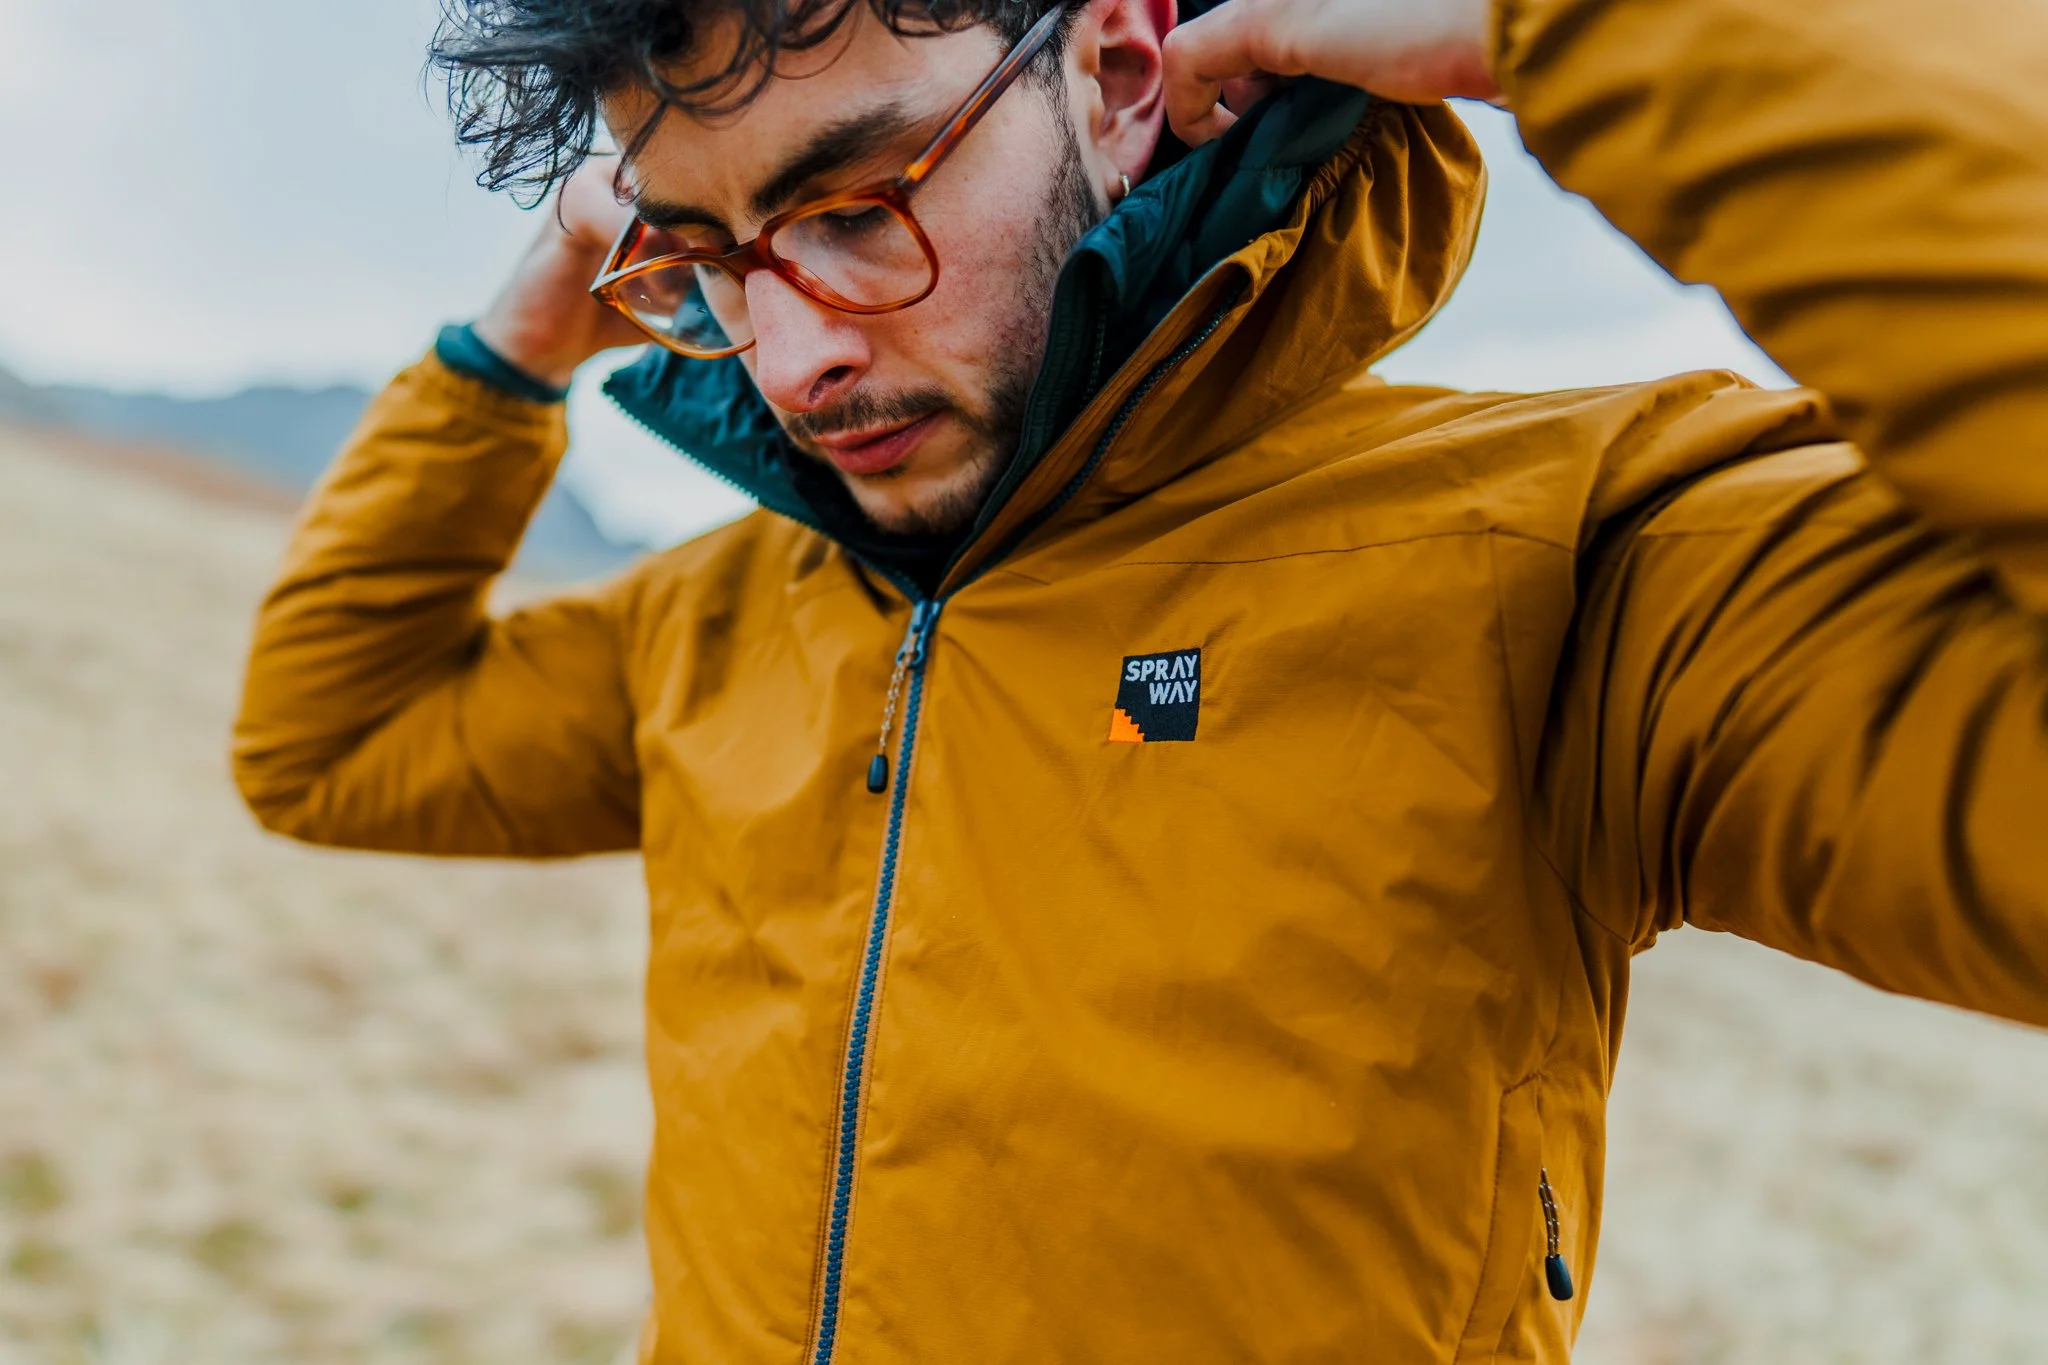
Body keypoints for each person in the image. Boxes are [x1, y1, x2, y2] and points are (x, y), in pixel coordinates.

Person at [232, 0, 2048, 1356]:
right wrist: (541, 308)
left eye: (859, 203)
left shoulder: (1569, 551)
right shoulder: (721, 612)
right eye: (705, 263)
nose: (788, 357)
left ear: (1113, 71)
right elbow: (330, 738)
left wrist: (1598, 30)